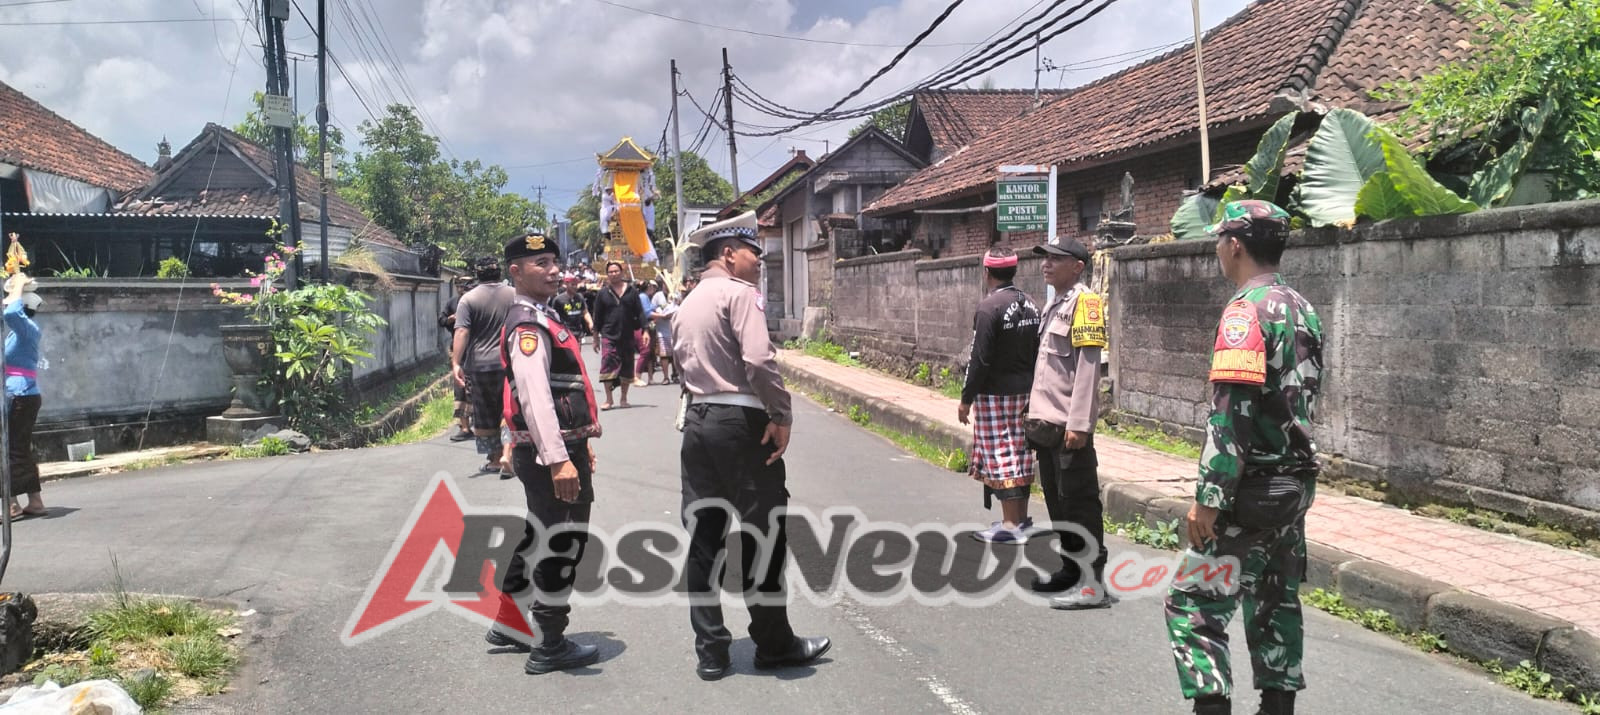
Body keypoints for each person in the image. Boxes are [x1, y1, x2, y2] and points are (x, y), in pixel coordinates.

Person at [1165, 200, 1324, 715]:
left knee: (1192, 604)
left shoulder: (1244, 311)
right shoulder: (1303, 307)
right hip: (1294, 486)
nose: (1217, 249)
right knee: (1276, 600)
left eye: (1219, 240)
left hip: (1251, 489)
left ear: (1234, 245)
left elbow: (1232, 414)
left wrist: (1209, 498)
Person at [674, 211, 829, 681]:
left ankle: (711, 651)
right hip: (741, 424)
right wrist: (781, 413)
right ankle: (774, 645)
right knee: (763, 536)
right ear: (728, 254)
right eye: (753, 252)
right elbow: (759, 360)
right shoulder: (740, 294)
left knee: (705, 540)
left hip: (698, 422)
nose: (759, 261)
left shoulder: (688, 301)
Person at [486, 231, 604, 674]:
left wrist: (580, 444)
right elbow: (534, 397)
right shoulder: (528, 325)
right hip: (548, 452)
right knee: (563, 540)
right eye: (542, 264)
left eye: (555, 261)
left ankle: (510, 623)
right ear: (515, 272)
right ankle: (550, 642)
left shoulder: (541, 315)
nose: (554, 270)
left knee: (539, 534)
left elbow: (557, 392)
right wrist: (558, 459)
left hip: (555, 446)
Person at [1025, 236, 1110, 609]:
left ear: (1077, 266)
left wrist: (1080, 424)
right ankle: (1071, 570)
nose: (1046, 264)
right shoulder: (1054, 304)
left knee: (1079, 505)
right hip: (1046, 425)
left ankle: (1092, 583)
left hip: (1068, 427)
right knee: (1058, 503)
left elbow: (1088, 368)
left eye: (1055, 259)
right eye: (1045, 258)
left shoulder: (1085, 303)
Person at [959, 247, 1041, 544]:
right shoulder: (1031, 304)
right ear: (1014, 270)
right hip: (1027, 391)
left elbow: (979, 358)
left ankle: (1009, 525)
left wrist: (966, 398)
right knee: (1021, 452)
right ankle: (1021, 518)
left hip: (995, 394)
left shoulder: (988, 308)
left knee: (1001, 454)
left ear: (987, 272)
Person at [453, 256, 516, 474]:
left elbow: (462, 331)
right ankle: (509, 453)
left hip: (480, 366)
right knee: (509, 407)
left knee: (486, 412)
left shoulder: (468, 299)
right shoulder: (514, 295)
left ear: (477, 274)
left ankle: (496, 459)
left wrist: (456, 362)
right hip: (510, 362)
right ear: (499, 272)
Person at [4, 274, 44, 520]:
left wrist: (17, 285)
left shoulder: (27, 330)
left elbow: (10, 313)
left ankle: (11, 505)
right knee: (20, 449)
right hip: (20, 395)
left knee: (9, 450)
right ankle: (35, 502)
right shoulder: (16, 335)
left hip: (20, 396)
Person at [591, 261, 644, 409]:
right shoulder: (603, 293)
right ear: (607, 275)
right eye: (610, 272)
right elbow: (597, 317)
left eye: (616, 271)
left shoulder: (632, 291)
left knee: (627, 367)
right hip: (609, 335)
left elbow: (640, 312)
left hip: (627, 335)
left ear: (622, 272)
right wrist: (595, 338)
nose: (613, 274)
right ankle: (609, 399)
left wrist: (645, 330)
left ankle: (624, 399)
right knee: (607, 365)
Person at [440, 276, 474, 442]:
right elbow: (441, 320)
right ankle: (465, 426)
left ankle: (484, 425)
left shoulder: (477, 301)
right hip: (460, 351)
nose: (462, 288)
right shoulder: (452, 303)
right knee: (460, 388)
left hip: (478, 350)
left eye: (465, 285)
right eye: (459, 285)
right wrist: (450, 319)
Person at [651, 289, 681, 384]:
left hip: (674, 330)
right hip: (662, 331)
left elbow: (681, 305)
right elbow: (652, 309)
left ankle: (675, 375)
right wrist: (660, 315)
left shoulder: (677, 293)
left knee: (675, 355)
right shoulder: (658, 295)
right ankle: (665, 377)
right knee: (664, 355)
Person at [635, 281, 660, 386]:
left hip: (650, 325)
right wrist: (662, 315)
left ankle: (650, 377)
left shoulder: (647, 297)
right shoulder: (643, 297)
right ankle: (637, 376)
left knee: (650, 353)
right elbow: (647, 312)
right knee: (645, 351)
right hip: (645, 326)